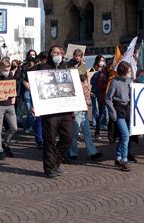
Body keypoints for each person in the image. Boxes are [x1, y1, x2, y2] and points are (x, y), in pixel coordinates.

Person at [34, 45, 74, 178]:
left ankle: (56, 162)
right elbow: (29, 83)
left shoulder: (66, 69)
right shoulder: (42, 68)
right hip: (49, 110)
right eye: (54, 52)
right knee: (49, 139)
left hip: (65, 109)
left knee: (68, 136)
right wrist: (36, 104)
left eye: (59, 52)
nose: (57, 54)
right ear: (50, 54)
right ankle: (49, 168)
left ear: (63, 54)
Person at [68, 68, 102, 161]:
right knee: (74, 134)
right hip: (76, 113)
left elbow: (89, 103)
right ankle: (72, 152)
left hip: (84, 113)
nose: (85, 84)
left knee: (87, 133)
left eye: (86, 82)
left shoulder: (87, 91)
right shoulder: (74, 91)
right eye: (83, 82)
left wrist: (87, 100)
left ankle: (92, 152)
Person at [105, 61, 133, 171]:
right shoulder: (114, 82)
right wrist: (113, 113)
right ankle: (124, 160)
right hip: (118, 110)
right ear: (123, 71)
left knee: (124, 135)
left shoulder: (130, 81)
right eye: (129, 71)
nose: (130, 73)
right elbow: (108, 98)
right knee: (125, 135)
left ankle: (118, 157)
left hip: (127, 109)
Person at [91, 55, 109, 139]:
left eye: (103, 60)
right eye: (101, 60)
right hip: (101, 95)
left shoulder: (106, 71)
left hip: (104, 95)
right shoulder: (99, 72)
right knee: (100, 112)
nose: (102, 62)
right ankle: (97, 131)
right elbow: (99, 85)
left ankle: (102, 131)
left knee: (104, 113)